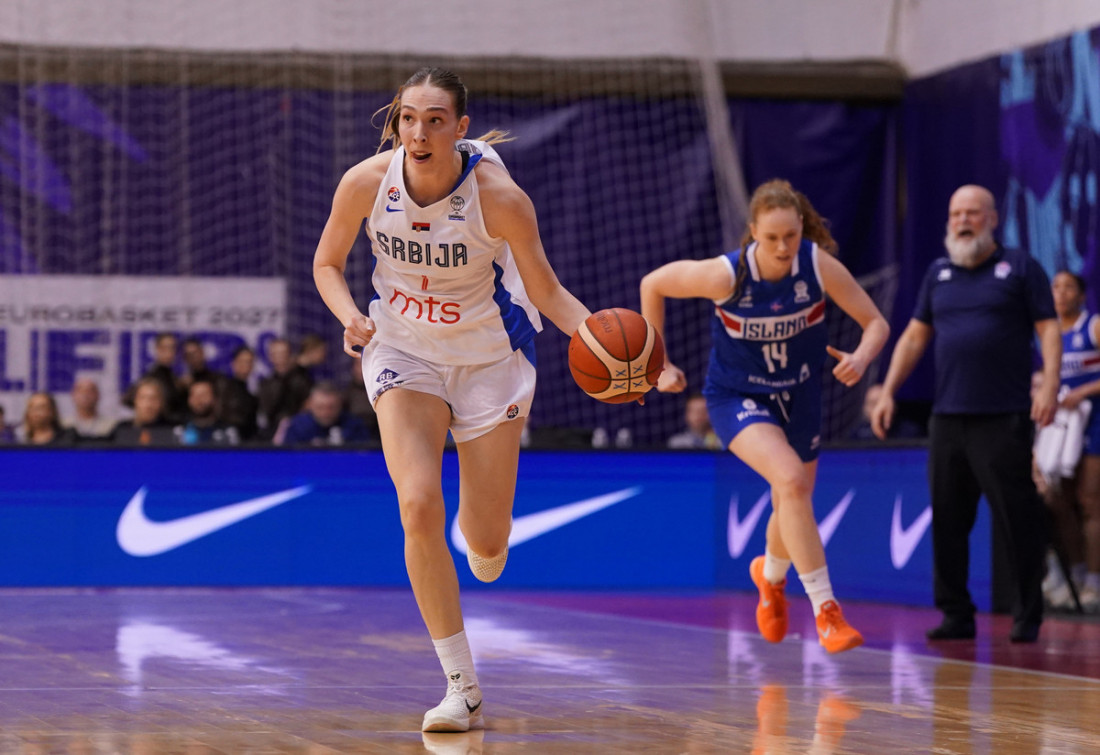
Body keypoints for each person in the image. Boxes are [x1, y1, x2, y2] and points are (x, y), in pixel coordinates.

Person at [313, 67, 591, 733]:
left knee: (485, 545)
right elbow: (326, 263)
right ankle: (461, 685)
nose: (419, 132)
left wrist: (611, 350)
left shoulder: (501, 199)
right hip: (403, 350)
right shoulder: (365, 182)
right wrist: (350, 315)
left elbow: (548, 293)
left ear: (460, 129)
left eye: (435, 120)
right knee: (417, 503)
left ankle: (486, 541)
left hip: (489, 358)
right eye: (408, 118)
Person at [640, 178, 889, 654]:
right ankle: (827, 612)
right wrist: (659, 364)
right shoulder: (727, 275)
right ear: (753, 232)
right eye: (771, 237)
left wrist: (861, 357)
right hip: (737, 397)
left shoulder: (817, 266)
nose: (781, 247)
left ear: (801, 230)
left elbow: (875, 323)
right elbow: (653, 284)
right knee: (791, 481)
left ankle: (770, 577)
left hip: (800, 395)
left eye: (790, 236)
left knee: (791, 496)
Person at [870, 184, 1060, 643]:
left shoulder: (1020, 267)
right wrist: (888, 391)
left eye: (973, 213)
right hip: (948, 417)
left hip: (1003, 415)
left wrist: (1051, 383)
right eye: (956, 213)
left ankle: (1027, 614)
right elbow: (914, 337)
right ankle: (956, 613)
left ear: (992, 219)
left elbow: (1048, 329)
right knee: (949, 518)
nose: (963, 221)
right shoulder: (938, 274)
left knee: (1016, 516)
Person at [1038, 271, 1100, 612]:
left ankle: (1094, 581)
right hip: (1061, 425)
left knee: (1089, 501)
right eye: (1056, 287)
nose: (1060, 293)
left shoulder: (1093, 326)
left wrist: (1084, 391)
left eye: (1068, 287)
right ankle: (1072, 575)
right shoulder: (1048, 333)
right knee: (1057, 500)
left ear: (1081, 295)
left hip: (1094, 419)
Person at [279, 381, 373, 446]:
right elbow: (289, 458)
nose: (326, 413)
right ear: (310, 405)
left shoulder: (355, 426)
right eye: (320, 407)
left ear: (340, 404)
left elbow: (364, 455)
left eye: (331, 407)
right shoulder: (297, 426)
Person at [257, 337, 314, 440]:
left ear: (290, 354)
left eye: (283, 353)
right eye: (276, 353)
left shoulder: (302, 379)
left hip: (300, 429)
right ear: (270, 357)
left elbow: (309, 404)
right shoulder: (265, 383)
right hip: (273, 431)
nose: (281, 357)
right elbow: (267, 409)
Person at [125, 332, 186, 422]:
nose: (169, 352)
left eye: (172, 348)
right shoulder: (151, 376)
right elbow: (128, 399)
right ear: (158, 349)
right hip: (158, 425)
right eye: (165, 348)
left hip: (173, 424)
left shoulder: (175, 377)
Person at [111, 377, 177, 446]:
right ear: (134, 401)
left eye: (153, 399)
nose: (148, 405)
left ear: (162, 402)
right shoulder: (122, 429)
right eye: (142, 398)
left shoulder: (173, 430)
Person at [175, 377, 238, 446]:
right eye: (194, 395)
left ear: (215, 399)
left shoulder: (227, 432)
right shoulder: (179, 431)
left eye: (204, 395)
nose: (198, 400)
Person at [220, 345, 260, 441]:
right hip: (229, 436)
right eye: (242, 361)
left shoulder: (257, 388)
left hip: (251, 438)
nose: (246, 365)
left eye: (249, 362)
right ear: (233, 364)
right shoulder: (223, 386)